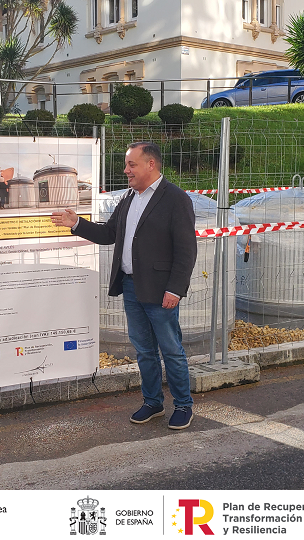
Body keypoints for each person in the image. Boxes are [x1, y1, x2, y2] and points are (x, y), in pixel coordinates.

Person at [51, 141, 197, 429]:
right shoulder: (129, 198)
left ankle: (183, 405)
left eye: (132, 164)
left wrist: (175, 289)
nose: (126, 170)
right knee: (144, 350)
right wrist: (76, 223)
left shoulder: (175, 199)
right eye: (126, 165)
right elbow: (109, 234)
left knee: (171, 349)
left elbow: (186, 250)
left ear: (151, 164)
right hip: (131, 286)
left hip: (161, 289)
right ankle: (153, 402)